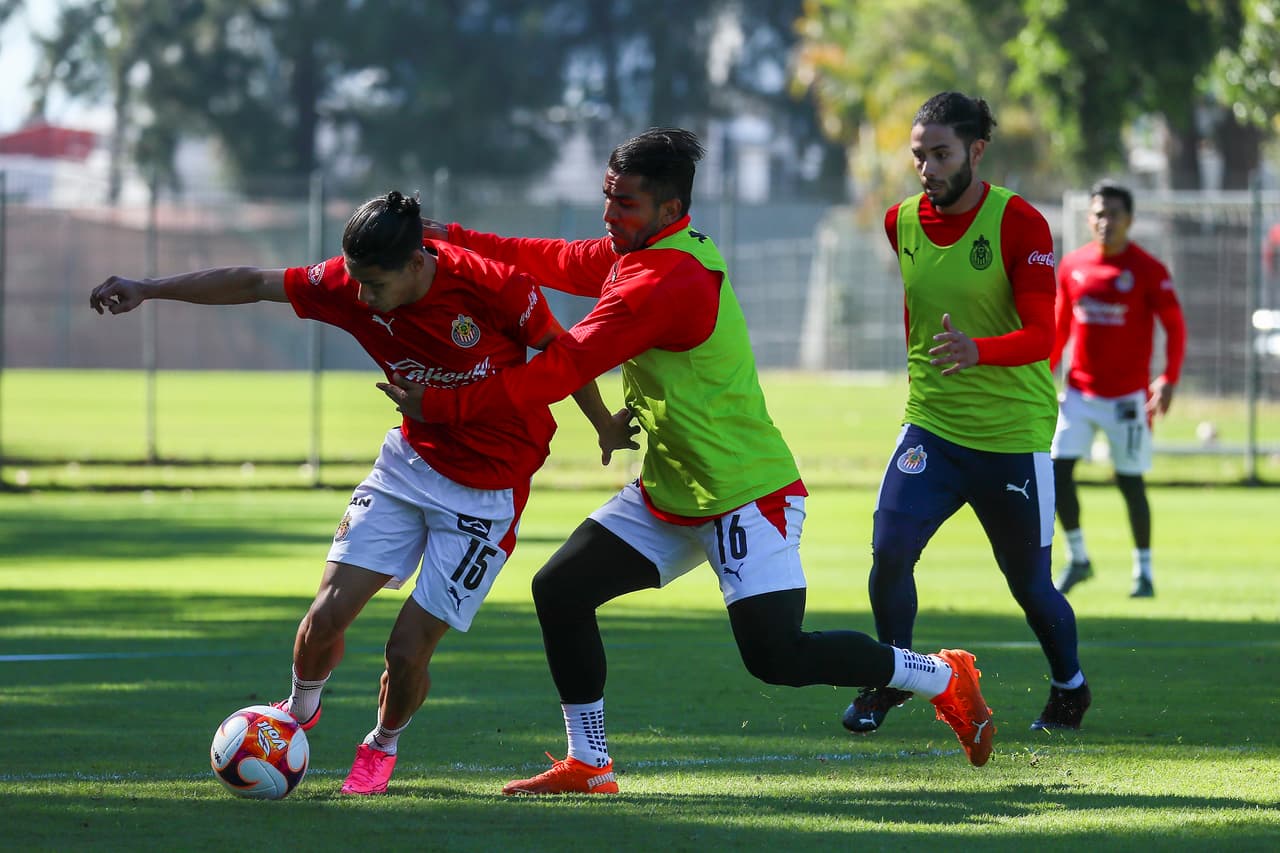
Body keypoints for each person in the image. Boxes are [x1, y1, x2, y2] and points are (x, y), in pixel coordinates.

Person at [379, 127, 996, 795]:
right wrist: (446, 235)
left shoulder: (663, 279)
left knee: (777, 657)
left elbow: (561, 368)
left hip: (744, 491)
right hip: (671, 492)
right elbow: (548, 257)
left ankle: (942, 674)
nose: (611, 216)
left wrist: (442, 405)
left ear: (671, 211)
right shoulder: (640, 252)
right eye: (609, 198)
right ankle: (589, 762)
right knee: (560, 589)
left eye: (627, 204)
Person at [88, 191, 628, 796]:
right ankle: (298, 710)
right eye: (355, 282)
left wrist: (603, 422)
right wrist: (149, 287)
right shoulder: (348, 285)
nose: (362, 298)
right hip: (409, 466)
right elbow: (252, 281)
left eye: (374, 285)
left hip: (489, 491)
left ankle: (382, 743)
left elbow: (561, 352)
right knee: (325, 616)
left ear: (418, 262)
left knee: (406, 651)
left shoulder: (491, 285)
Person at [838, 93, 1090, 736]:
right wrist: (933, 370)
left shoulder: (1020, 222)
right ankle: (893, 677)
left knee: (1031, 587)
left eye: (942, 154)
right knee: (889, 551)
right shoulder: (900, 222)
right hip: (933, 426)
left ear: (977, 151)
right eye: (920, 155)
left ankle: (1070, 686)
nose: (928, 168)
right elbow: (917, 314)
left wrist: (978, 351)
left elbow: (1045, 335)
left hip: (1012, 435)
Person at [1050, 180, 1187, 599]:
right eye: (1098, 214)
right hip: (1078, 396)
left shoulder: (1148, 270)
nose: (1104, 222)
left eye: (1113, 214)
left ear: (1129, 220)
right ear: (1089, 219)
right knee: (1056, 474)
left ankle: (1143, 572)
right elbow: (1059, 330)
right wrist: (1043, 377)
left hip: (1128, 399)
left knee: (1129, 482)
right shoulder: (1072, 266)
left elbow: (1175, 326)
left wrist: (1168, 378)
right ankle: (1079, 559)